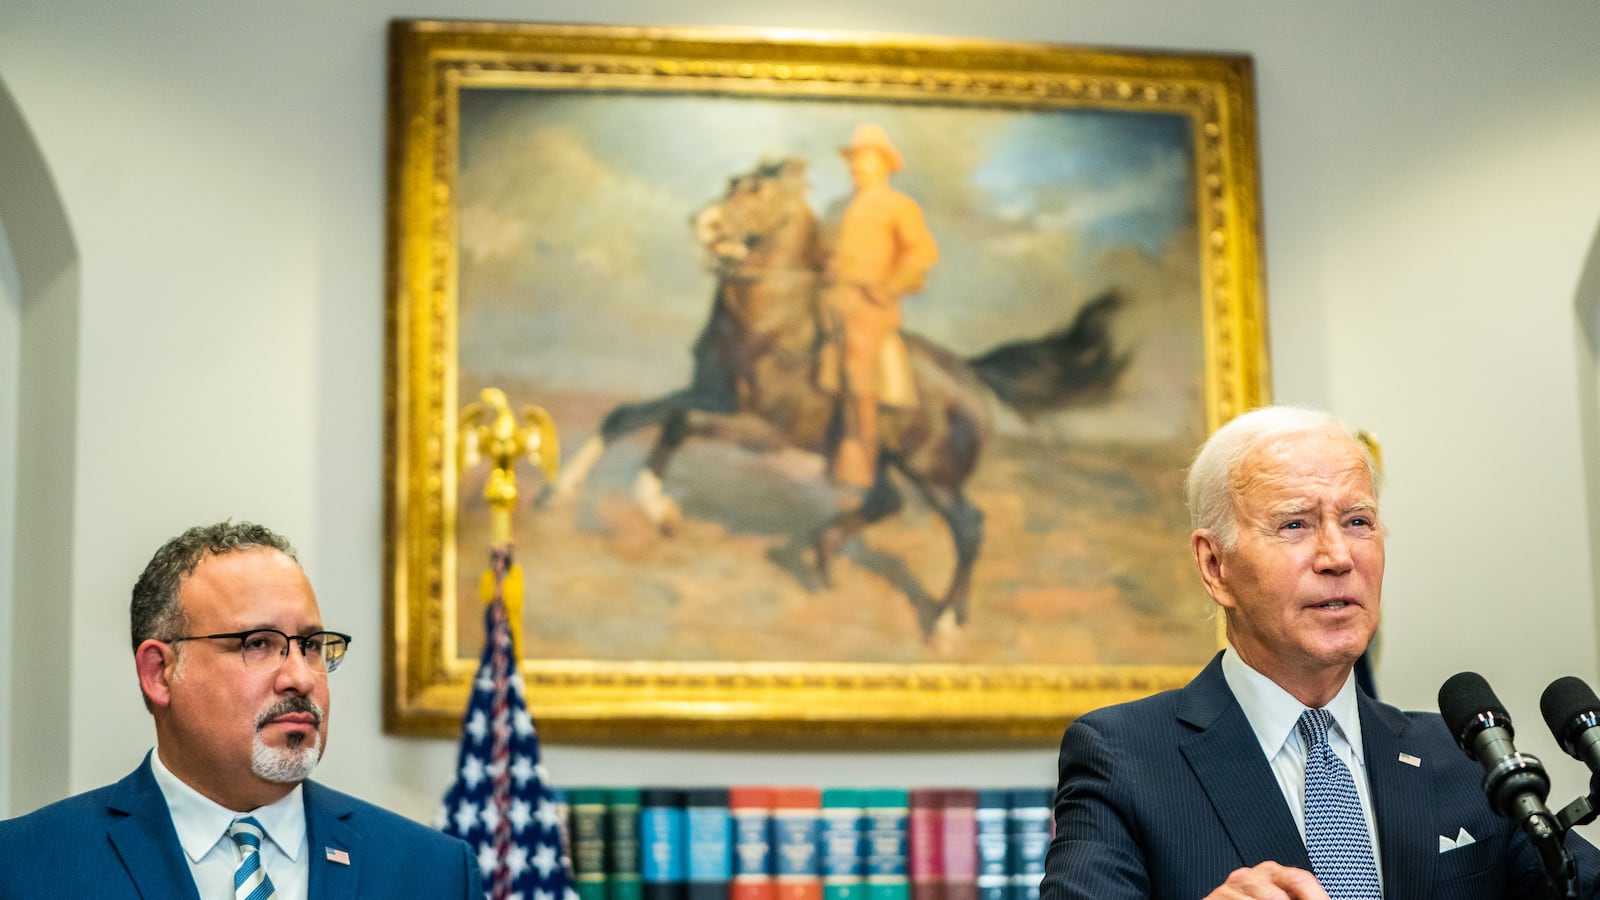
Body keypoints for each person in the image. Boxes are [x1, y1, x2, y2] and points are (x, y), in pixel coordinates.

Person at [1039, 406, 1600, 899]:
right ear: (1215, 567)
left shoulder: (1462, 758)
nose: (1337, 556)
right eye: (1295, 524)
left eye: (1358, 521)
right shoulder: (1124, 758)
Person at [0, 520, 483, 898]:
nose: (299, 676)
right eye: (258, 643)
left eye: (311, 645)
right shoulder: (24, 866)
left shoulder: (433, 872)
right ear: (159, 672)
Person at [820, 123, 939, 492]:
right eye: (855, 159)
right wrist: (828, 263)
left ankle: (860, 463)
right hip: (830, 298)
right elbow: (827, 248)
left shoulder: (899, 206)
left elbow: (923, 253)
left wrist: (888, 287)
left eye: (867, 159)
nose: (858, 166)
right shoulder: (839, 208)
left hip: (869, 305)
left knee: (857, 366)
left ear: (886, 164)